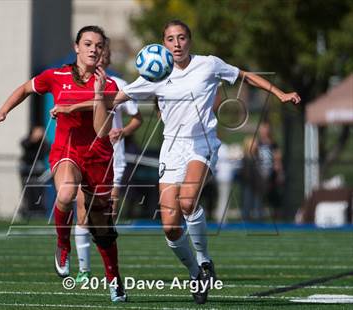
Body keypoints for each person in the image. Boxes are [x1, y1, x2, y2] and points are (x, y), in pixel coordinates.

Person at [51, 19, 301, 304]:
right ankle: (196, 274)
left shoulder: (209, 65)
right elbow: (113, 100)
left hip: (201, 144)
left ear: (189, 41)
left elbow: (244, 75)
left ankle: (205, 260)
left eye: (181, 37)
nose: (177, 43)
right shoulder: (152, 74)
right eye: (170, 39)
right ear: (163, 44)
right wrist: (74, 105)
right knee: (170, 225)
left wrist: (280, 93)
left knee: (187, 201)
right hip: (171, 149)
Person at [0, 25, 127, 302]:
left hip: (98, 155)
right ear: (76, 47)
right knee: (65, 193)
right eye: (87, 44)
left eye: (98, 45)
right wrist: (2, 111)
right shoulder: (56, 76)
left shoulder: (109, 84)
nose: (93, 49)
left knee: (102, 227)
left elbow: (101, 129)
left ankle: (114, 279)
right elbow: (26, 88)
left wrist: (97, 96)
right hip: (67, 151)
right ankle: (63, 245)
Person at [74, 40, 142, 283]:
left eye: (102, 52)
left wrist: (121, 131)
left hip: (113, 159)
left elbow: (137, 118)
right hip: (85, 156)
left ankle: (112, 271)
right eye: (94, 51)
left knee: (106, 215)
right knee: (82, 210)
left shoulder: (120, 85)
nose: (98, 56)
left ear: (108, 58)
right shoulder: (79, 83)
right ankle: (84, 270)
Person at [19, 126, 50, 219]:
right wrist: (34, 139)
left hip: (38, 170)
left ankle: (39, 211)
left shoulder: (44, 143)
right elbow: (24, 145)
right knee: (28, 191)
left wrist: (41, 139)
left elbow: (46, 150)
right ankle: (28, 211)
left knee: (38, 191)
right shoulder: (27, 141)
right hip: (26, 170)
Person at [256, 121, 284, 218]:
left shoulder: (273, 144)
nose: (263, 132)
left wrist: (279, 172)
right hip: (260, 175)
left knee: (273, 195)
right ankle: (260, 215)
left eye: (265, 129)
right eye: (262, 129)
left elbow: (277, 158)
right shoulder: (257, 143)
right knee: (260, 197)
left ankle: (276, 214)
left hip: (271, 174)